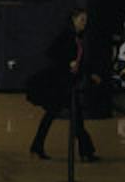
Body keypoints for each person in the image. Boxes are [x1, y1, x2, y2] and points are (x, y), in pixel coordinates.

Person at [27, 8, 101, 163]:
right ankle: (86, 152)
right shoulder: (66, 36)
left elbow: (80, 61)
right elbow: (53, 53)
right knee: (75, 117)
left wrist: (89, 73)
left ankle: (37, 146)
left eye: (85, 21)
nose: (84, 23)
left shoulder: (77, 37)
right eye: (82, 20)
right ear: (73, 19)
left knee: (54, 116)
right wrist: (68, 63)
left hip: (66, 85)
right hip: (62, 86)